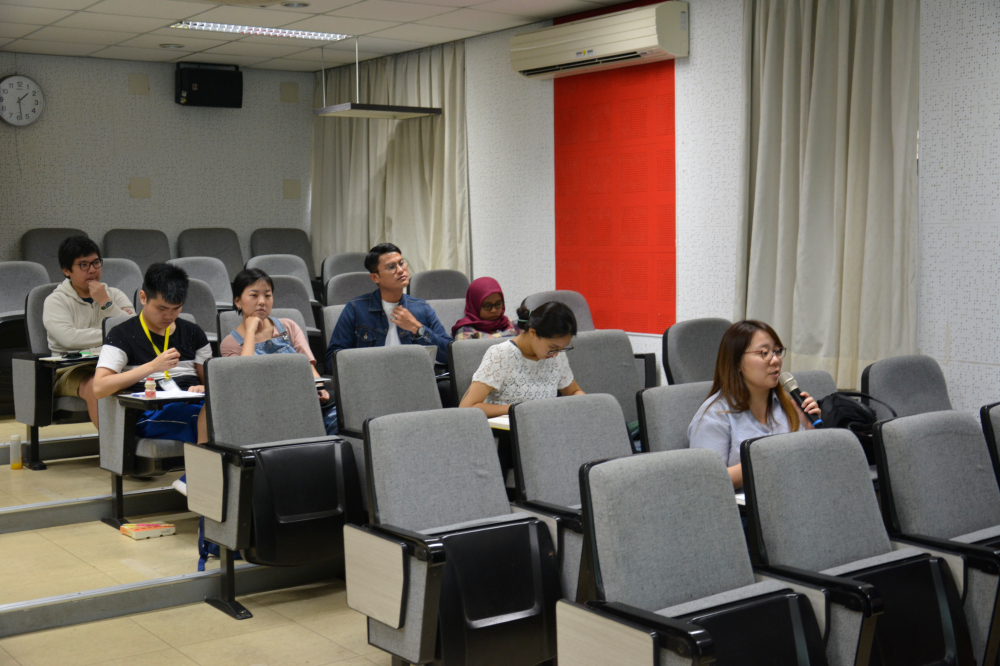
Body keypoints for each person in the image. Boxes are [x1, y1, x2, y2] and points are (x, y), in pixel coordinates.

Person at [687, 320, 821, 490]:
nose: (775, 360)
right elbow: (707, 481)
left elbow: (804, 468)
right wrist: (765, 459)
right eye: (764, 353)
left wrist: (810, 433)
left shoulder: (788, 404)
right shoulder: (713, 416)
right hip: (743, 505)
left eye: (777, 351)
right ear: (737, 363)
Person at [93, 263, 211, 449]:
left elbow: (211, 382)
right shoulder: (122, 334)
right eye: (161, 308)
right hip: (150, 413)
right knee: (209, 420)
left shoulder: (193, 333)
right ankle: (203, 468)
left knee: (222, 413)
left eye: (176, 308)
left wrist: (205, 388)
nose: (169, 316)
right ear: (143, 297)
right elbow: (99, 387)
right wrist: (152, 367)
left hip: (194, 404)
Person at [221, 268, 338, 435]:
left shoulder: (288, 326)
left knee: (340, 414)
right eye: (254, 295)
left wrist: (319, 387)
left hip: (301, 396)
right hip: (263, 405)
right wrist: (250, 332)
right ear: (238, 301)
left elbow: (307, 364)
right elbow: (245, 376)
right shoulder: (229, 343)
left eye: (267, 295)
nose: (262, 301)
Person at [42, 236, 135, 426]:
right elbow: (70, 339)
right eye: (83, 265)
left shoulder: (114, 295)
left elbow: (134, 332)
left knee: (143, 378)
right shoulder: (55, 301)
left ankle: (138, 438)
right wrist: (115, 333)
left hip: (113, 363)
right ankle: (112, 444)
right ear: (66, 270)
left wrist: (106, 303)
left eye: (96, 263)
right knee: (97, 386)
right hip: (69, 369)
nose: (92, 270)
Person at [325, 243, 452, 369]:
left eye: (401, 263)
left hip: (413, 377)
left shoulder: (422, 308)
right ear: (375, 277)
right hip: (371, 378)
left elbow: (450, 355)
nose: (401, 270)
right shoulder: (356, 309)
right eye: (391, 267)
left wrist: (417, 329)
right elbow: (332, 360)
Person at [459, 301, 584, 416]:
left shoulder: (556, 355)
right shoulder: (501, 355)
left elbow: (574, 392)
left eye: (562, 348)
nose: (556, 354)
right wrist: (519, 409)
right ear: (533, 333)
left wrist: (586, 405)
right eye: (553, 347)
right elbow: (467, 407)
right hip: (507, 429)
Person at [452, 277, 520, 340]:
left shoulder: (507, 323)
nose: (494, 310)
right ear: (475, 305)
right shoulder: (464, 330)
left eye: (498, 304)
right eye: (487, 306)